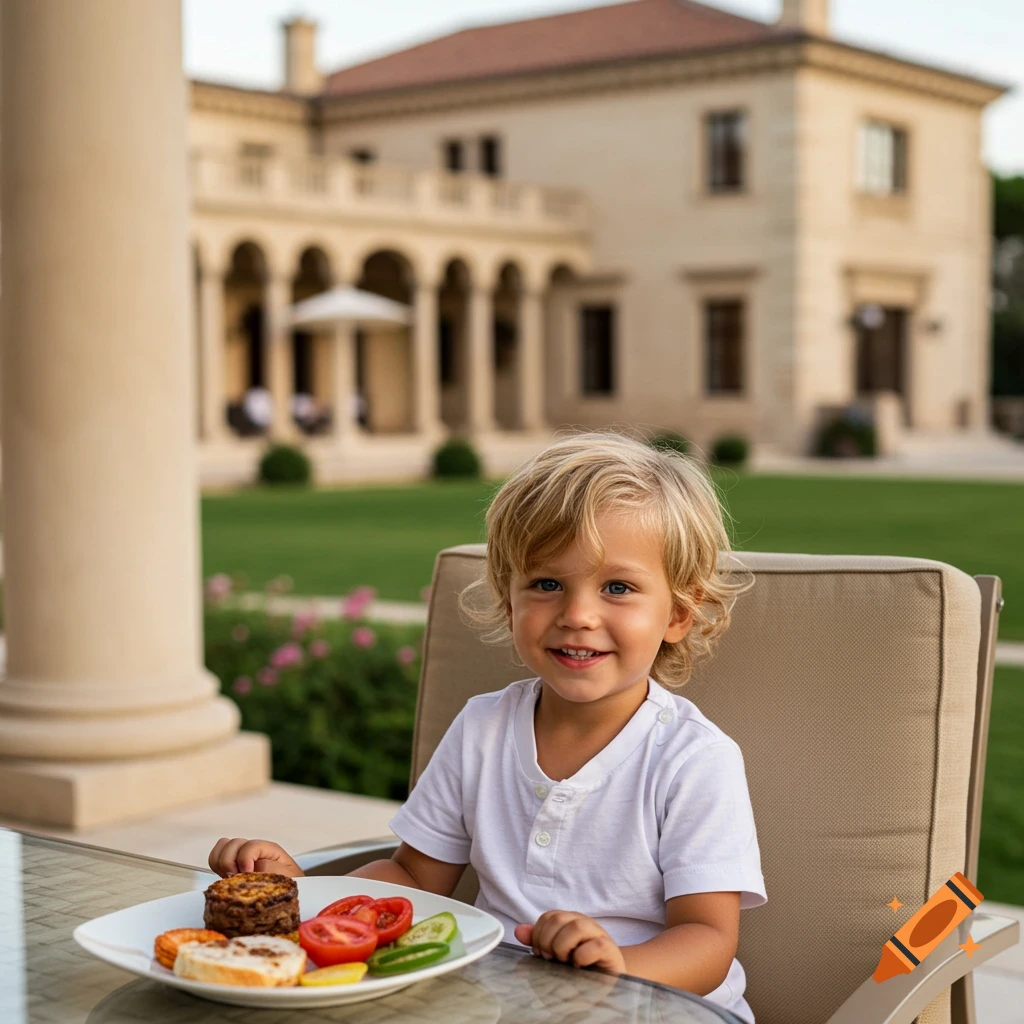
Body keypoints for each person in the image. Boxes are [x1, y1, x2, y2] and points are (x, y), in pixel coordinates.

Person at [208, 430, 767, 1023]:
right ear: (509, 601)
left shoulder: (693, 758)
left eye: (618, 588)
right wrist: (308, 897)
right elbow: (412, 876)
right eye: (546, 584)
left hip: (658, 1008)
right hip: (505, 1006)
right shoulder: (484, 727)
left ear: (679, 613)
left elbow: (708, 938)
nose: (578, 615)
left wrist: (617, 965)